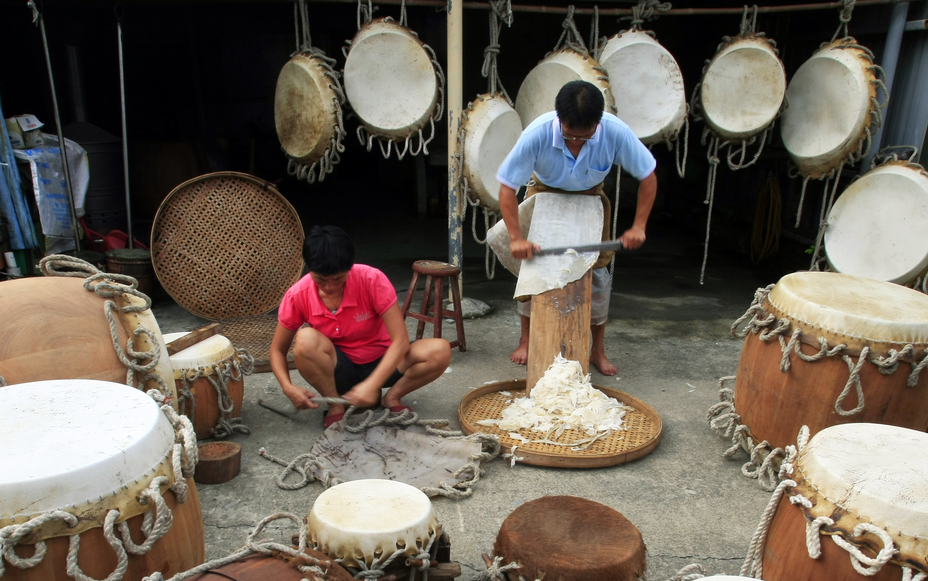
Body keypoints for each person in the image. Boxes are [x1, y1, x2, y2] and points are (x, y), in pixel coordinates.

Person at [496, 80, 657, 376]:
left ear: (598, 122)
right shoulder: (537, 133)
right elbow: (507, 187)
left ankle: (597, 350)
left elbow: (648, 175)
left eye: (585, 137)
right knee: (533, 272)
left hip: (590, 197)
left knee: (597, 277)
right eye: (570, 135)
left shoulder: (616, 131)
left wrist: (639, 226)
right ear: (560, 119)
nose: (576, 143)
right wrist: (517, 237)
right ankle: (526, 339)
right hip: (544, 193)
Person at [270, 225, 451, 428]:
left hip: (383, 362)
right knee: (305, 340)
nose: (330, 287)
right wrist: (287, 387)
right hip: (339, 370)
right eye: (321, 280)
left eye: (338, 278)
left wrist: (372, 385)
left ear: (350, 267)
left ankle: (391, 397)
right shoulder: (297, 295)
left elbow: (400, 341)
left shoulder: (372, 280)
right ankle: (335, 405)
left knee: (440, 350)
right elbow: (277, 350)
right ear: (309, 270)